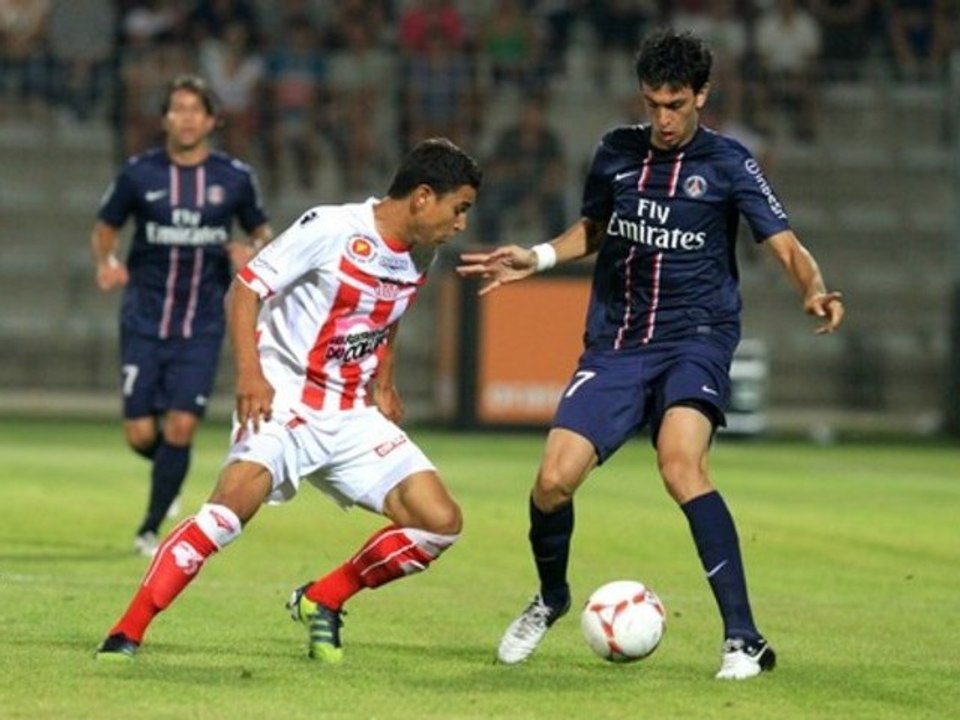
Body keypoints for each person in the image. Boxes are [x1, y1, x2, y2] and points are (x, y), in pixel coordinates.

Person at [458, 29, 844, 680]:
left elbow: (784, 243)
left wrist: (813, 289)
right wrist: (539, 256)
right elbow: (596, 227)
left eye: (674, 105)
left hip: (697, 335)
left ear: (701, 95)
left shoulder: (729, 163)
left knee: (680, 464)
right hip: (618, 341)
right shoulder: (615, 152)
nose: (662, 120)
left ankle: (743, 639)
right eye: (652, 104)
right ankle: (551, 599)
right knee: (552, 482)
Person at [95, 137, 482, 662]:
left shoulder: (422, 251)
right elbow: (246, 288)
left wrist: (384, 381)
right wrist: (251, 375)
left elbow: (387, 316)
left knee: (440, 524)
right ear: (421, 196)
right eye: (458, 208)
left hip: (351, 415)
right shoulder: (331, 229)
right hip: (286, 402)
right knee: (226, 516)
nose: (460, 223)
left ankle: (322, 598)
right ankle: (126, 634)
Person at [91, 74, 273, 557]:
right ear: (166, 118)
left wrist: (251, 252)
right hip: (143, 321)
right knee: (139, 434)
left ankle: (149, 528)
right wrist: (106, 263)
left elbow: (263, 234)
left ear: (212, 119)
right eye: (178, 108)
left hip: (201, 325)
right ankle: (167, 476)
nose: (186, 117)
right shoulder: (139, 174)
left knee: (181, 427)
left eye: (196, 109)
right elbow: (106, 227)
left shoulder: (234, 177)